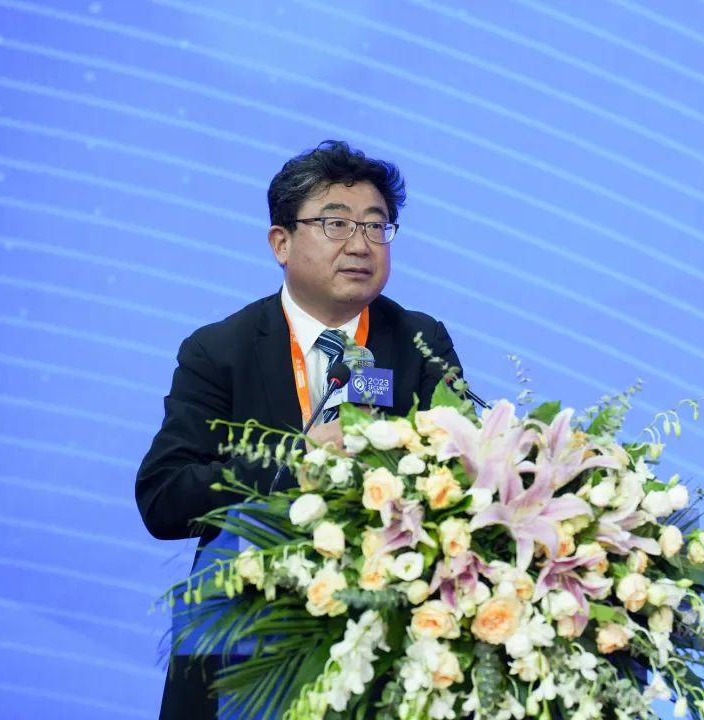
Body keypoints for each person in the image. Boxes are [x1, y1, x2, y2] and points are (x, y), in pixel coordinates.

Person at [135, 140, 462, 719]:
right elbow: (164, 498)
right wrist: (297, 462)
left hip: (387, 656)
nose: (360, 244)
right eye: (336, 223)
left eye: (376, 226)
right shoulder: (221, 350)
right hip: (245, 657)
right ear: (280, 243)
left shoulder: (419, 340)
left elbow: (459, 470)